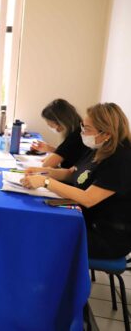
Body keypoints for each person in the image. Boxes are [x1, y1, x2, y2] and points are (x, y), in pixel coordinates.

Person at [22, 103, 131, 259]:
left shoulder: (121, 159)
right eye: (82, 127)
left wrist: (46, 182)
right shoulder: (99, 148)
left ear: (106, 134)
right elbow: (73, 174)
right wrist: (43, 172)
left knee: (41, 236)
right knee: (37, 223)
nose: (83, 133)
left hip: (106, 236)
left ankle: (48, 282)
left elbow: (89, 198)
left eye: (87, 129)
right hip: (85, 220)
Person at [31, 99, 89, 168]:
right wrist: (51, 149)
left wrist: (53, 154)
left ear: (60, 122)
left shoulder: (75, 136)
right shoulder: (78, 129)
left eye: (50, 124)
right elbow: (69, 154)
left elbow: (47, 165)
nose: (50, 126)